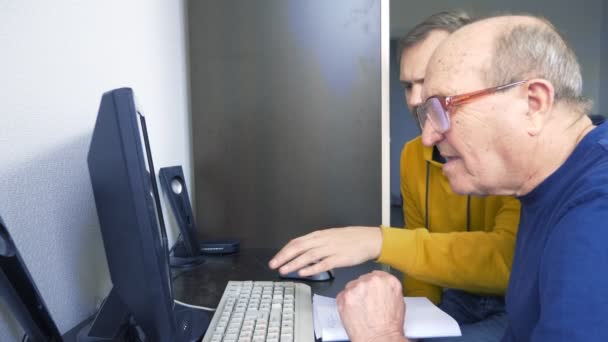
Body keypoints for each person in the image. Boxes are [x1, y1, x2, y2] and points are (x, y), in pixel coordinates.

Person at [339, 14, 608, 342]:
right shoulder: (547, 185)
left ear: (533, 103)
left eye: (444, 108)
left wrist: (379, 334)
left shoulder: (597, 208)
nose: (428, 136)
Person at [269, 11, 520, 341]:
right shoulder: (413, 155)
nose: (416, 99)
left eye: (429, 79)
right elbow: (421, 273)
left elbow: (509, 262)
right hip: (455, 295)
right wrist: (411, 322)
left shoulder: (516, 156)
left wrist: (379, 240)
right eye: (407, 86)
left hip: (512, 304)